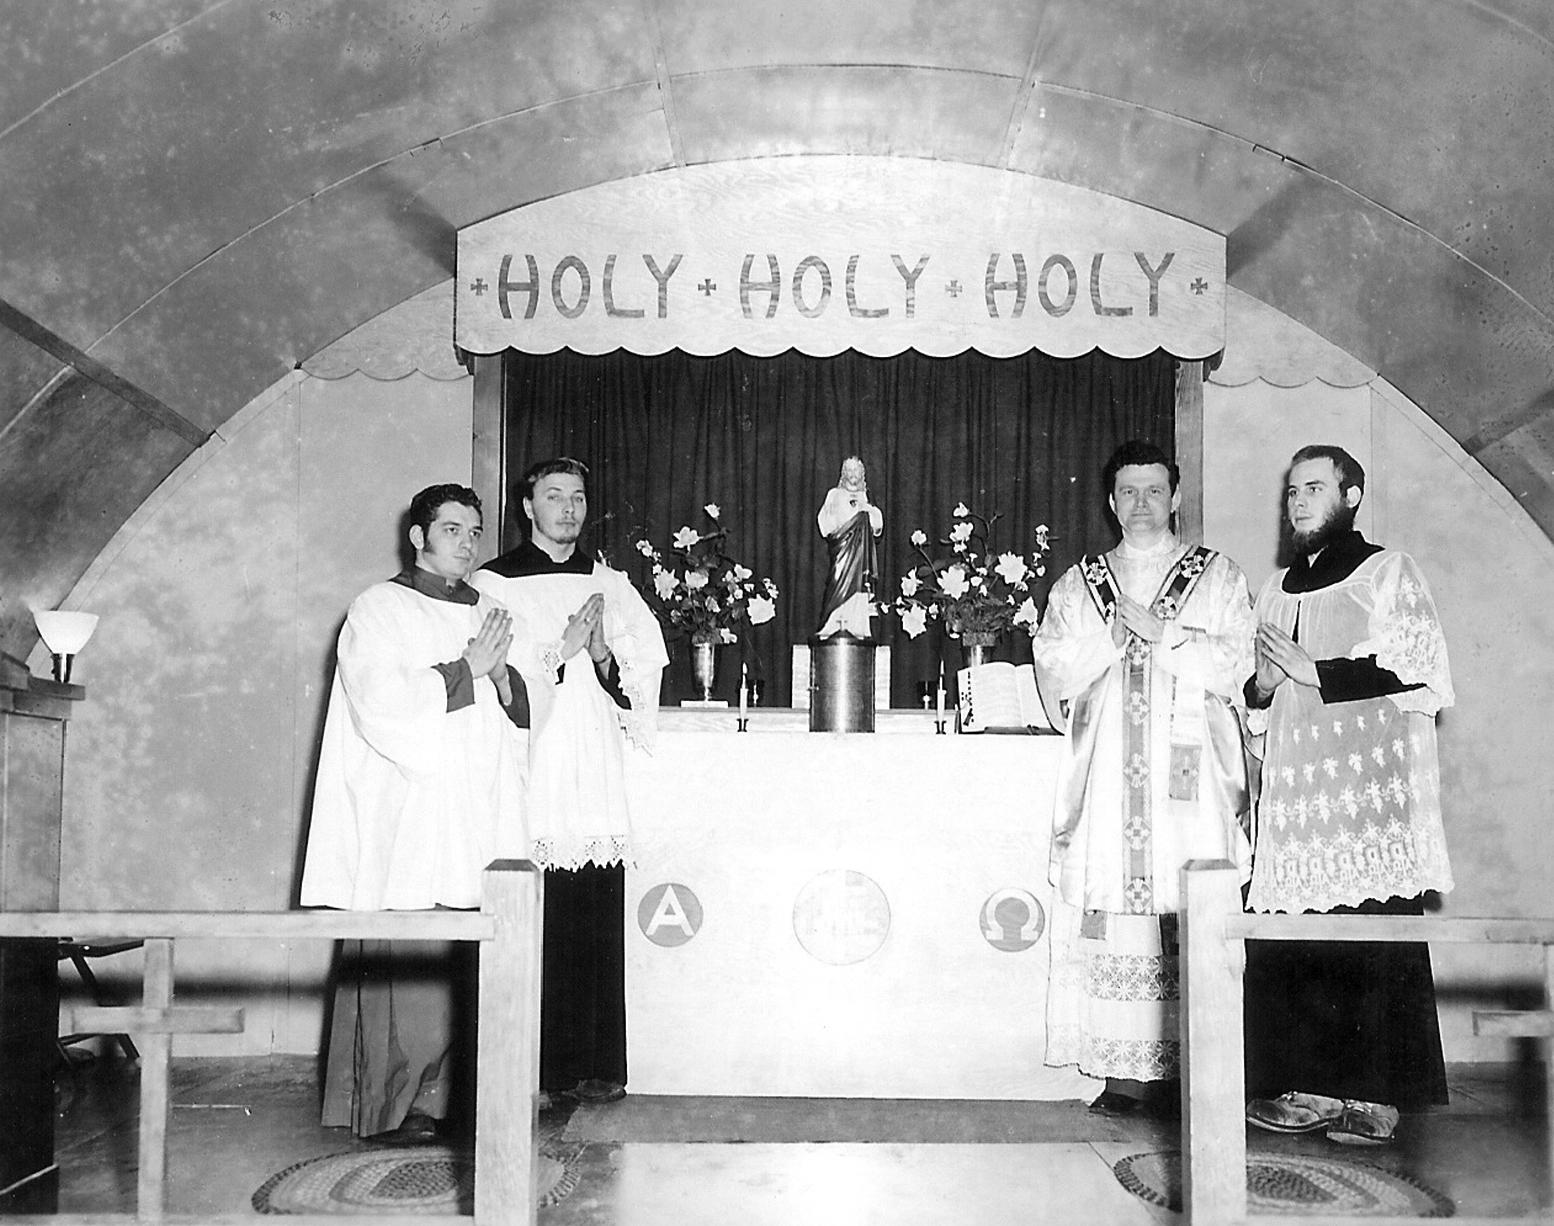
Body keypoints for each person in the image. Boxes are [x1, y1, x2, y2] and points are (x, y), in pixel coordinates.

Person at [299, 483, 529, 1142]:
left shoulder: (490, 608)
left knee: (475, 943)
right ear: (418, 537)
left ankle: (463, 1098)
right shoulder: (379, 607)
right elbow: (379, 700)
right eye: (451, 529)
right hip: (415, 809)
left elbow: (514, 709)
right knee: (414, 944)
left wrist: (507, 681)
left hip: (477, 804)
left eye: (473, 531)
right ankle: (398, 1102)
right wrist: (467, 668)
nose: (465, 542)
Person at [1032, 440, 1254, 1117]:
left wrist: (1167, 635)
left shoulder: (1217, 576)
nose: (1141, 504)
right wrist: (1112, 638)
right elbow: (1054, 667)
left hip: (1189, 774)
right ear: (1111, 501)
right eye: (1128, 491)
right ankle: (1126, 1072)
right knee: (1119, 900)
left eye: (1154, 490)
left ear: (1177, 496)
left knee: (1189, 895)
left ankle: (1200, 1067)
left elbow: (1240, 662)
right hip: (1109, 777)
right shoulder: (1081, 583)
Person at [1242, 445, 1454, 1146]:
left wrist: (1316, 670)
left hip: (1365, 796)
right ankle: (1308, 1086)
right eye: (1291, 491)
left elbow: (1419, 668)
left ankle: (1376, 1095)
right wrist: (1267, 687)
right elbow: (1258, 701)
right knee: (1303, 939)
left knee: (1370, 935)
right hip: (1300, 797)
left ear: (1352, 496)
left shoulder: (1386, 571)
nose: (1298, 502)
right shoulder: (1275, 588)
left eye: (1314, 488)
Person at [472, 457, 668, 1105]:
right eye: (553, 496)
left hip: (595, 760)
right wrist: (565, 642)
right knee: (546, 911)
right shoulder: (494, 583)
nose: (568, 509)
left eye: (578, 497)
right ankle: (545, 1072)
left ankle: (597, 1063)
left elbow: (640, 667)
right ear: (527, 507)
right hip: (538, 757)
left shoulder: (607, 580)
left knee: (595, 904)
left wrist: (605, 651)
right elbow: (501, 676)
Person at [816, 456, 883, 639]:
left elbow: (877, 527)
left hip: (861, 553)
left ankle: (858, 627)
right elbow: (824, 522)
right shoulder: (834, 494)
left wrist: (868, 510)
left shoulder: (867, 494)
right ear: (844, 473)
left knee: (859, 588)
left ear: (862, 473)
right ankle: (831, 624)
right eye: (850, 470)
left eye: (856, 470)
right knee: (836, 584)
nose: (853, 474)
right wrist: (831, 523)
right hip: (841, 549)